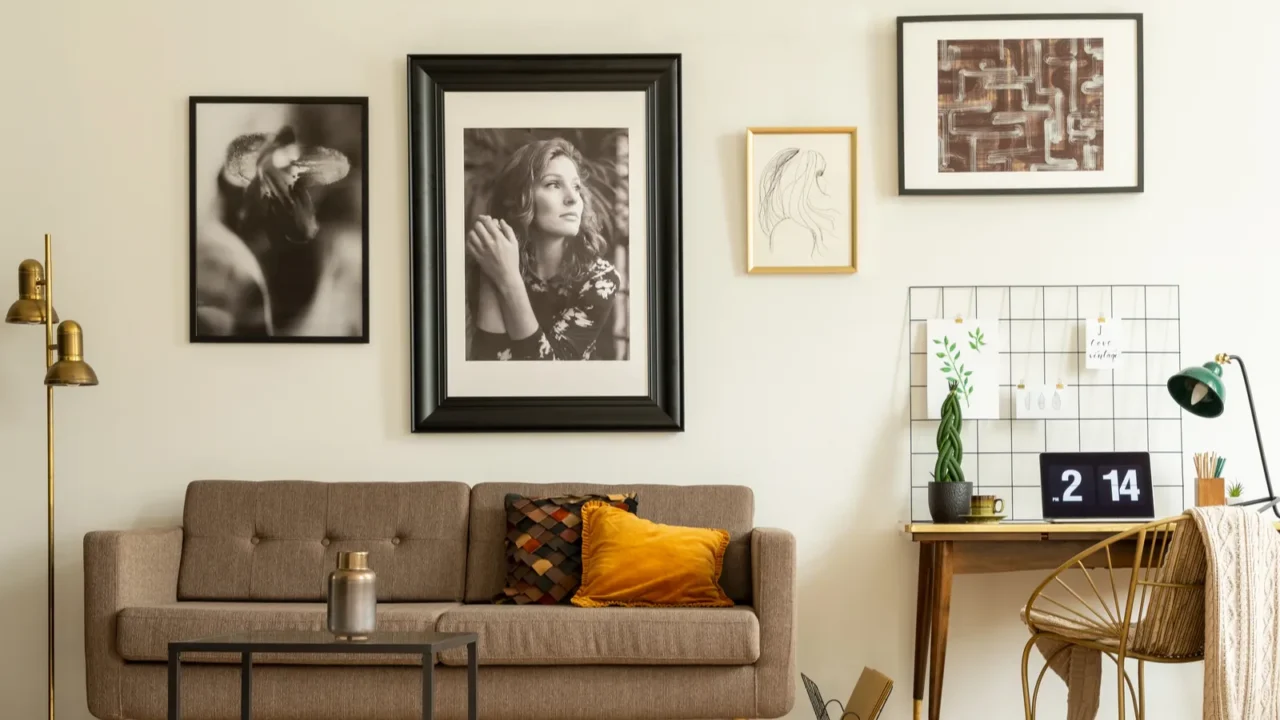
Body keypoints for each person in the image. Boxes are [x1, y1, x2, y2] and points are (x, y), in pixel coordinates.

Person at [466, 137, 621, 361]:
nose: (573, 199)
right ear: (518, 199)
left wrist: (507, 278)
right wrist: (495, 271)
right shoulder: (495, 257)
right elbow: (489, 366)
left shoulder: (600, 279)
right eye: (553, 184)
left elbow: (549, 372)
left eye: (576, 187)